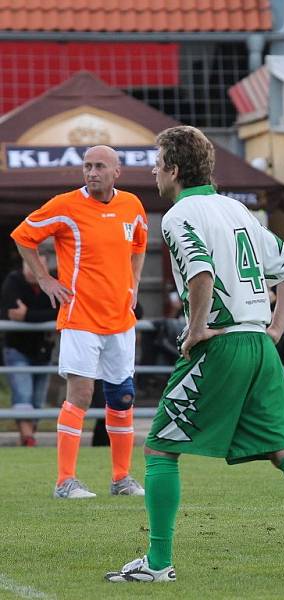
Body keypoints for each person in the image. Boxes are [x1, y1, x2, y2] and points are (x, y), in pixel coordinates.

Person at [105, 125, 284, 583]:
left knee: (159, 447)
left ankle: (157, 564)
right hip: (257, 343)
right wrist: (275, 329)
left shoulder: (179, 216)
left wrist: (195, 331)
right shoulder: (238, 209)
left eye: (157, 164)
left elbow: (200, 275)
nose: (154, 172)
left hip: (220, 343)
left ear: (174, 169)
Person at [11, 145, 148, 499]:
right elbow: (23, 236)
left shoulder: (132, 205)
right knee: (82, 393)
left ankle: (121, 478)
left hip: (120, 318)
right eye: (87, 166)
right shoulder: (65, 205)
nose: (91, 172)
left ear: (117, 171)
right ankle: (65, 481)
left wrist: (133, 285)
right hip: (80, 316)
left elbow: (139, 246)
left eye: (99, 166)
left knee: (123, 397)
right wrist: (45, 279)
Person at [0, 254, 58, 447]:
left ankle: (28, 438)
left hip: (43, 350)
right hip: (18, 348)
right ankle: (29, 439)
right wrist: (44, 316)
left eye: (39, 264)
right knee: (23, 395)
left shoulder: (56, 281)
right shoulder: (14, 281)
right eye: (30, 264)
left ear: (46, 267)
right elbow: (10, 312)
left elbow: (62, 311)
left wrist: (29, 315)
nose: (34, 269)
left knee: (38, 400)